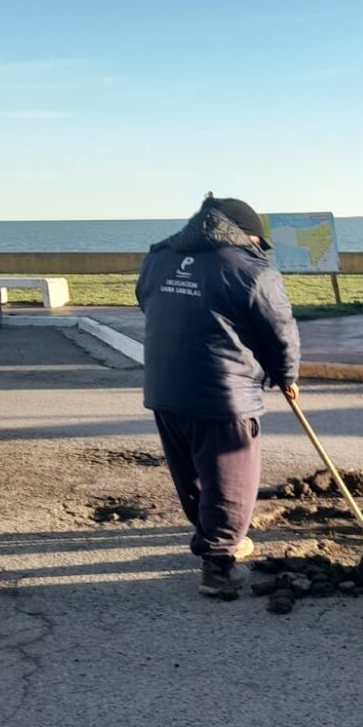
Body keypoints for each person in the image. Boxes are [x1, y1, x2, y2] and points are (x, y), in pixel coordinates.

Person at [136, 193, 300, 600]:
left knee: (191, 475)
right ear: (246, 236)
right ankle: (219, 569)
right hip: (223, 396)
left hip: (165, 388)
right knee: (232, 482)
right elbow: (279, 331)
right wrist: (286, 376)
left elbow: (146, 302)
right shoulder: (251, 270)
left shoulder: (159, 257)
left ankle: (212, 541)